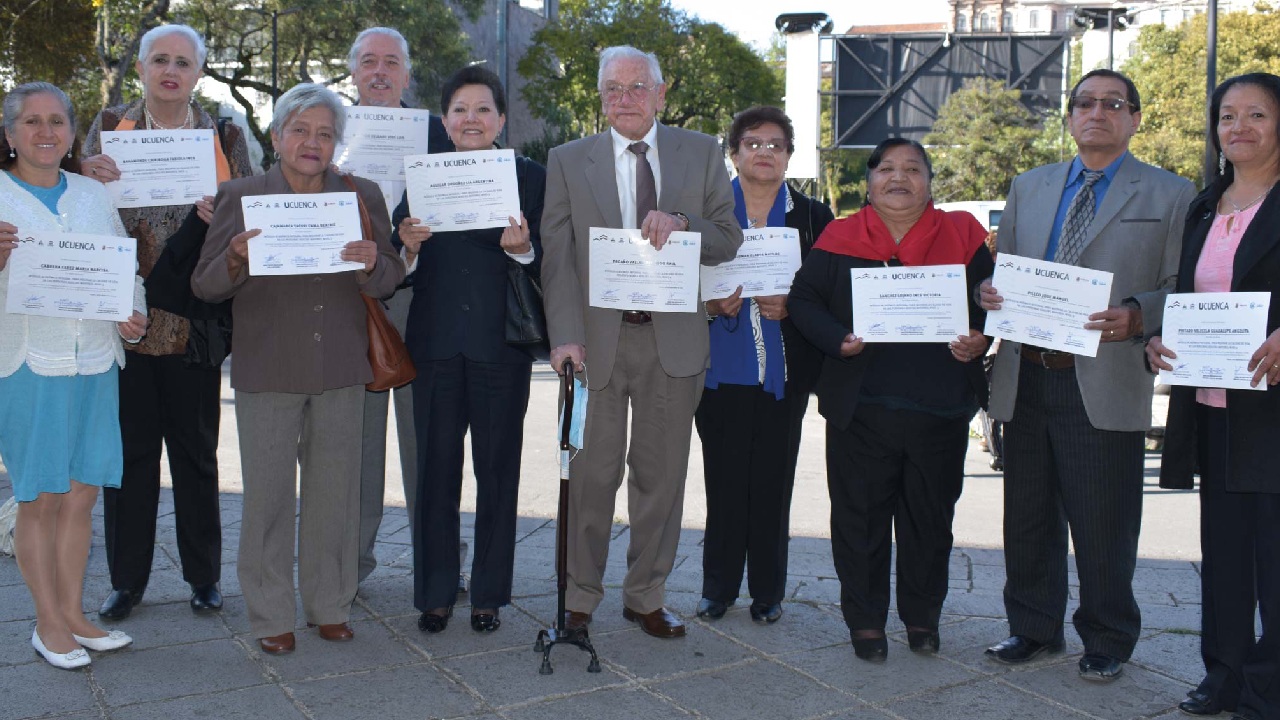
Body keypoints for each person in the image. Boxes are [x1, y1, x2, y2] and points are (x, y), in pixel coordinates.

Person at [979, 69, 1195, 681]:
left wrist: (1137, 314)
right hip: (1027, 372)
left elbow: (1182, 284)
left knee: (1104, 520)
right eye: (1084, 103)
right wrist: (988, 290)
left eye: (1112, 104)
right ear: (1069, 117)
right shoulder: (1029, 186)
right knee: (1026, 515)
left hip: (1103, 376)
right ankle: (1032, 628)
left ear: (1133, 118)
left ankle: (1106, 638)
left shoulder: (1171, 194)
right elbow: (1006, 270)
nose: (1096, 113)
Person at [192, 83, 403, 655]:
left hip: (340, 365)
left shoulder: (362, 194)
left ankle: (329, 603)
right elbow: (204, 286)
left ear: (337, 143)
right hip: (268, 368)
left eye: (325, 133)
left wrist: (371, 261)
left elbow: (389, 279)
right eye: (301, 130)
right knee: (267, 499)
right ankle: (269, 614)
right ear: (278, 135)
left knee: (336, 494)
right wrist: (234, 258)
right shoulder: (240, 194)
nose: (312, 142)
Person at [541, 45, 743, 639]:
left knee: (660, 479)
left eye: (636, 88)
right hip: (593, 348)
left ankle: (645, 594)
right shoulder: (567, 159)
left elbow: (729, 236)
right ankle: (579, 597)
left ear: (660, 93)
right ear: (600, 96)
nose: (623, 99)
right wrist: (564, 338)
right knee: (589, 477)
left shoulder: (701, 152)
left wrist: (682, 223)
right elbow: (557, 260)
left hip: (673, 344)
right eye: (611, 89)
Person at [788, 138, 992, 661]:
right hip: (862, 408)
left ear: (929, 179)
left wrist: (980, 337)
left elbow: (991, 300)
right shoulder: (840, 235)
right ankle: (866, 622)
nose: (899, 178)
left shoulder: (963, 234)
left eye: (912, 169)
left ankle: (923, 618)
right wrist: (838, 339)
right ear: (870, 180)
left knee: (930, 521)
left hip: (941, 407)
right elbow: (805, 299)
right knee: (859, 521)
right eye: (886, 169)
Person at [79, 23, 252, 621]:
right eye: (159, 60)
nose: (170, 70)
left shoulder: (224, 134)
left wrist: (220, 212)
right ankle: (127, 580)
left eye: (182, 61)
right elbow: (80, 211)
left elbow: (244, 221)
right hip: (123, 315)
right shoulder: (106, 130)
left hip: (195, 318)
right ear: (143, 70)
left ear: (199, 72)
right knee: (128, 459)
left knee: (197, 454)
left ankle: (204, 577)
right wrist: (86, 176)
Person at [0, 82, 148, 668]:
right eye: (31, 122)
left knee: (83, 492)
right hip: (29, 361)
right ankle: (46, 623)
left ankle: (74, 613)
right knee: (40, 497)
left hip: (96, 359)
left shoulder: (92, 193)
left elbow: (122, 267)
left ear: (70, 131)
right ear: (9, 133)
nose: (45, 132)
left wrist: (132, 316)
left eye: (56, 121)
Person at [393, 65, 544, 634]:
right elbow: (397, 255)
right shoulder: (423, 177)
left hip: (499, 348)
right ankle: (434, 593)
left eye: (483, 109)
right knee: (434, 472)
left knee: (498, 472)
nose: (471, 119)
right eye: (460, 109)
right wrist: (406, 247)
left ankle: (488, 595)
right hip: (432, 347)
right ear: (445, 121)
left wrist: (525, 251)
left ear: (501, 119)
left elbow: (551, 256)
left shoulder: (529, 176)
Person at [1148, 73, 1280, 720]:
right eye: (1228, 116)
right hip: (1213, 408)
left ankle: (1267, 689)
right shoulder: (1206, 204)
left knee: (1276, 564)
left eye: (1257, 114)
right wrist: (1160, 339)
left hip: (1274, 411)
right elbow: (1190, 297)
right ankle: (1221, 676)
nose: (1240, 128)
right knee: (1224, 557)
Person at [695, 106, 833, 625]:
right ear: (733, 153)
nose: (764, 152)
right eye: (752, 143)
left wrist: (794, 306)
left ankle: (768, 592)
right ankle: (718, 587)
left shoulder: (814, 216)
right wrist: (709, 305)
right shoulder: (706, 212)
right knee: (723, 481)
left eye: (776, 145)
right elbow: (676, 280)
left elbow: (831, 289)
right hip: (717, 369)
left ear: (789, 156)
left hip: (784, 370)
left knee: (773, 484)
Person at [344, 27, 461, 588]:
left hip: (425, 303)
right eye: (369, 62)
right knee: (357, 443)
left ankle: (436, 562)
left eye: (392, 62)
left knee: (428, 440)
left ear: (408, 76)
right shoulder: (327, 129)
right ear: (354, 73)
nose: (381, 72)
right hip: (353, 304)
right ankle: (351, 563)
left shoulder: (440, 134)